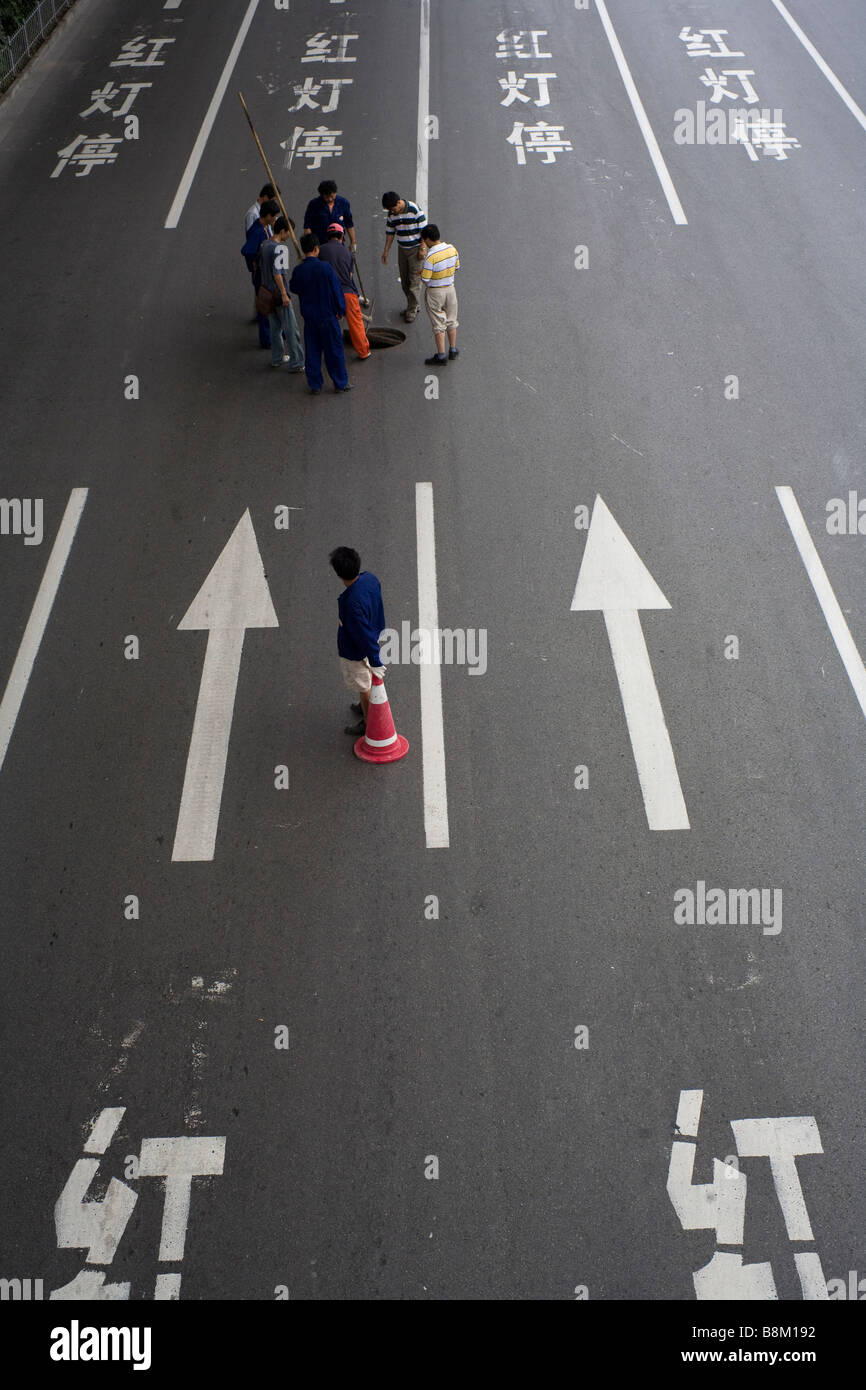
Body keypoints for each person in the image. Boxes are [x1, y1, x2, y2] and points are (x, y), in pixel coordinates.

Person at [329, 547, 386, 736]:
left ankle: (368, 721)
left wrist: (376, 660)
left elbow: (362, 636)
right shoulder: (370, 578)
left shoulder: (351, 603)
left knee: (364, 686)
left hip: (356, 651)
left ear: (339, 574)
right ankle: (364, 706)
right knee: (366, 680)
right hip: (374, 633)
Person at [289, 234, 352, 394]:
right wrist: (341, 310)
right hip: (328, 316)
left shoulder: (299, 270)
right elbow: (336, 290)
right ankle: (340, 382)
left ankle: (315, 384)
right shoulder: (325, 268)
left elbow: (294, 288)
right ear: (316, 249)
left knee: (313, 352)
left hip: (310, 318)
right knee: (334, 351)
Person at [318, 223, 370, 360]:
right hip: (347, 293)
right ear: (342, 236)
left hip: (328, 294)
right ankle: (364, 351)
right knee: (356, 323)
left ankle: (331, 352)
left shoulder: (320, 250)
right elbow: (350, 276)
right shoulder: (347, 253)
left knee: (329, 323)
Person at [259, 217, 304, 371]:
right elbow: (278, 274)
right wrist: (284, 294)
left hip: (266, 293)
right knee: (291, 329)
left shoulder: (265, 244)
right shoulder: (281, 249)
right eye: (289, 232)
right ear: (283, 231)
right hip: (278, 294)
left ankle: (277, 357)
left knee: (275, 328)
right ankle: (297, 362)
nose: (290, 236)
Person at [381, 191, 426, 322]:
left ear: (398, 203)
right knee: (405, 282)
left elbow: (424, 230)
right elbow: (390, 233)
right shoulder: (391, 214)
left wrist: (422, 248)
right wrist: (386, 251)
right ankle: (414, 303)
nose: (391, 211)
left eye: (392, 208)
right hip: (402, 250)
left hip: (416, 250)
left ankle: (411, 310)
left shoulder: (414, 209)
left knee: (414, 282)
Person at [241, 198, 279, 349]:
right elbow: (246, 250)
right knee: (265, 306)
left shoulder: (263, 227)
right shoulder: (257, 231)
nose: (275, 219)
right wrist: (255, 262)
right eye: (274, 216)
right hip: (261, 276)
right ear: (268, 215)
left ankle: (275, 333)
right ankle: (266, 339)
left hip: (265, 273)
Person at [419, 224, 460, 365]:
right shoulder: (452, 249)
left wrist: (421, 273)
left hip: (435, 292)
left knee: (438, 323)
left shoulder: (431, 257)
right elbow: (457, 267)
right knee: (452, 320)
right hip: (450, 289)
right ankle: (453, 349)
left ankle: (441, 355)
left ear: (428, 239)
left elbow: (425, 279)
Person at [303, 180, 356, 252]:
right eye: (327, 197)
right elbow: (307, 227)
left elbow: (349, 224)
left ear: (335, 192)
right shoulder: (314, 205)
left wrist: (353, 242)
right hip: (320, 245)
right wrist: (310, 247)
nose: (330, 199)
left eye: (332, 196)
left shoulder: (343, 203)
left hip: (339, 245)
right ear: (322, 195)